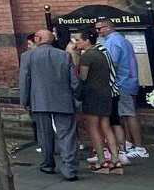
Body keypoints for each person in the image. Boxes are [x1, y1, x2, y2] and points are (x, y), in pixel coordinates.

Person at [20, 30, 79, 180]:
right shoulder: (64, 55)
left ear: (38, 39)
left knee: (44, 135)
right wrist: (77, 97)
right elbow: (74, 81)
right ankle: (69, 169)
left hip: (39, 100)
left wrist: (24, 101)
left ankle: (48, 165)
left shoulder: (27, 57)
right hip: (63, 100)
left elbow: (24, 81)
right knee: (67, 136)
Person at [69, 26, 122, 174]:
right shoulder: (101, 53)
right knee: (106, 126)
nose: (75, 42)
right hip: (106, 93)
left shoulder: (88, 56)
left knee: (93, 128)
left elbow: (83, 77)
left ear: (87, 40)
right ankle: (115, 159)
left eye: (78, 40)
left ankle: (100, 160)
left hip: (92, 95)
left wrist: (76, 56)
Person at [97, 17, 148, 159]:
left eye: (99, 28)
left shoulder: (112, 42)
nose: (98, 31)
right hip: (129, 81)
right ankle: (129, 143)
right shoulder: (124, 40)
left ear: (108, 27)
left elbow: (112, 62)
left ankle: (139, 147)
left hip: (121, 82)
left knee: (128, 115)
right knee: (124, 115)